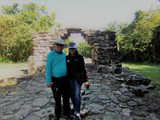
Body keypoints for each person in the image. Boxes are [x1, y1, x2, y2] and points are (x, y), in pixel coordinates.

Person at [45, 39, 71, 120]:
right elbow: (48, 68)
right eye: (58, 45)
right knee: (57, 98)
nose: (59, 46)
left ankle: (67, 113)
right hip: (56, 80)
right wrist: (48, 81)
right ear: (55, 45)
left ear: (63, 46)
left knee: (66, 97)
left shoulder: (64, 54)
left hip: (65, 79)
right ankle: (58, 114)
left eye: (61, 45)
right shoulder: (50, 55)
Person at [66, 42, 89, 120]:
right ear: (69, 49)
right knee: (72, 95)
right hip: (69, 79)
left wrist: (86, 80)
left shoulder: (80, 57)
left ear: (75, 49)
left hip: (78, 79)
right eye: (70, 48)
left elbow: (83, 69)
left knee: (77, 94)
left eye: (73, 48)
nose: (72, 50)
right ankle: (75, 108)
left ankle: (78, 112)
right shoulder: (66, 58)